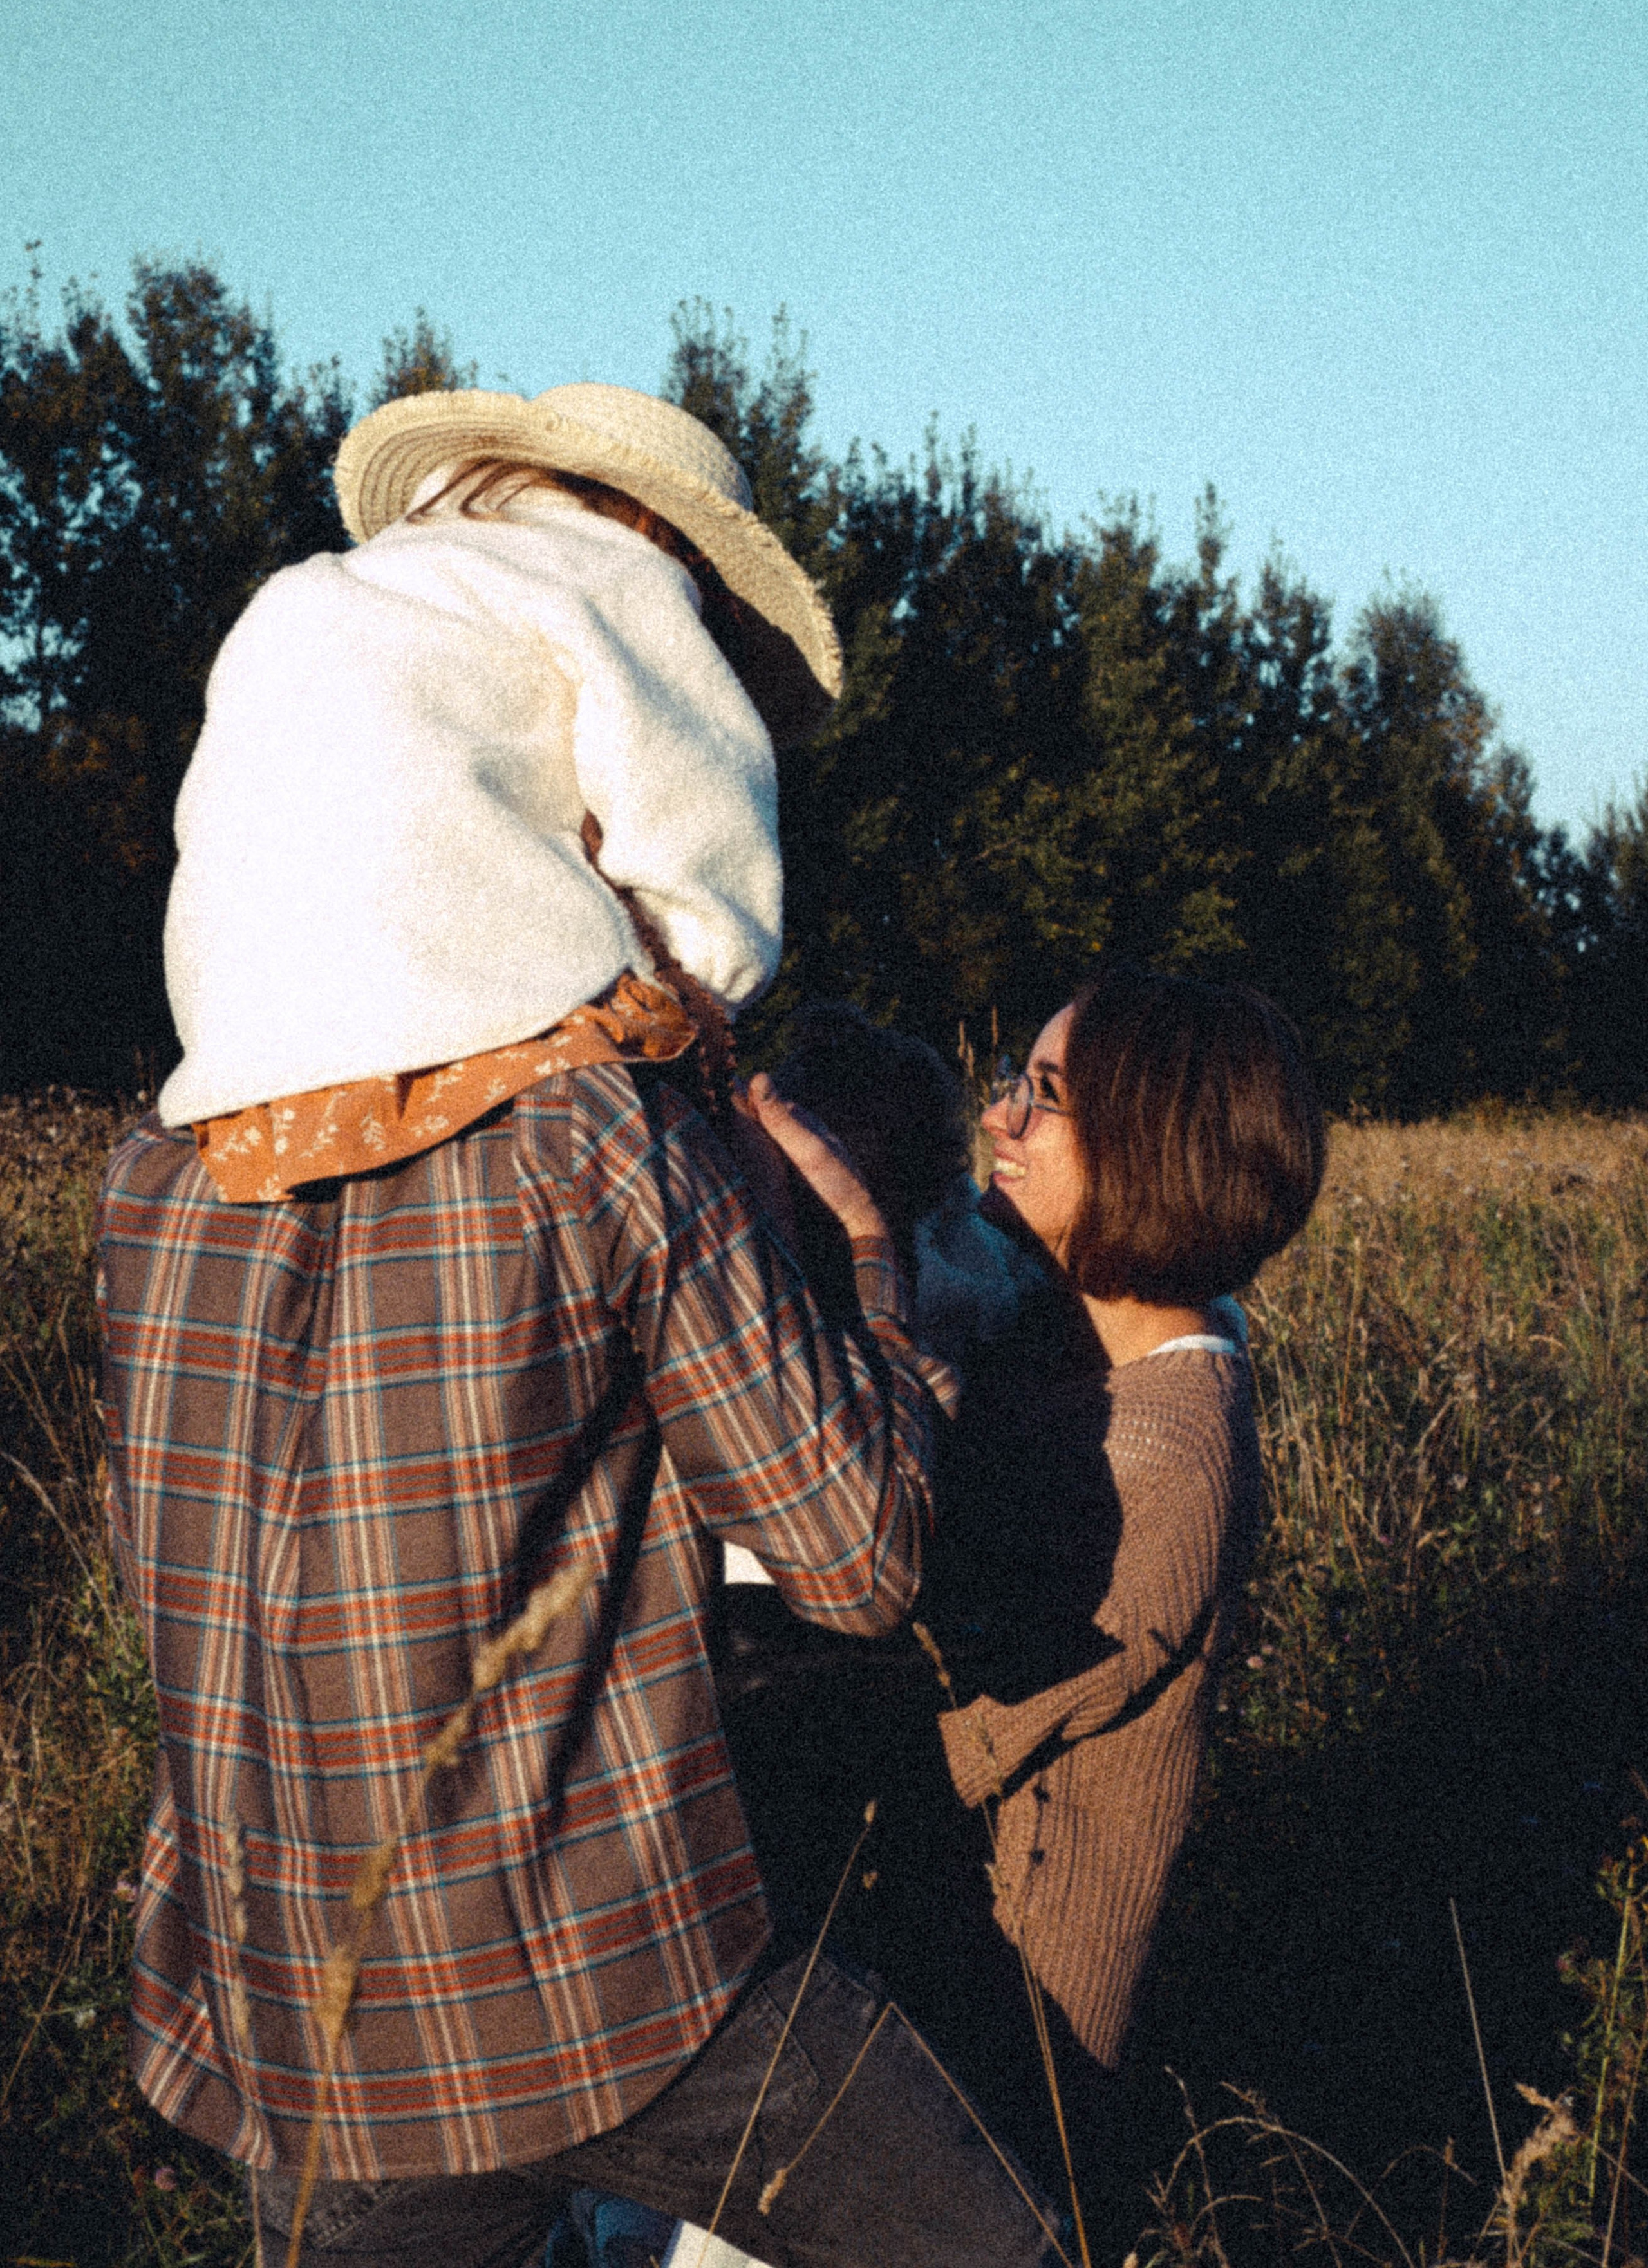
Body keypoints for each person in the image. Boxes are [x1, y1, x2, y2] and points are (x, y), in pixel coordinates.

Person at [96, 380, 1065, 2268]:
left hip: (302, 2012)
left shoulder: (159, 1178)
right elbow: (862, 1558)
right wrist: (867, 1271)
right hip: (617, 1993)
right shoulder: (592, 1129)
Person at [912, 966, 1325, 2195]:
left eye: (1045, 1097)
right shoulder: (1078, 1350)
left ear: (1155, 1154)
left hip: (995, 2059)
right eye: (1010, 1086)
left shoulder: (1160, 1453)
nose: (999, 1120)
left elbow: (935, 1726)